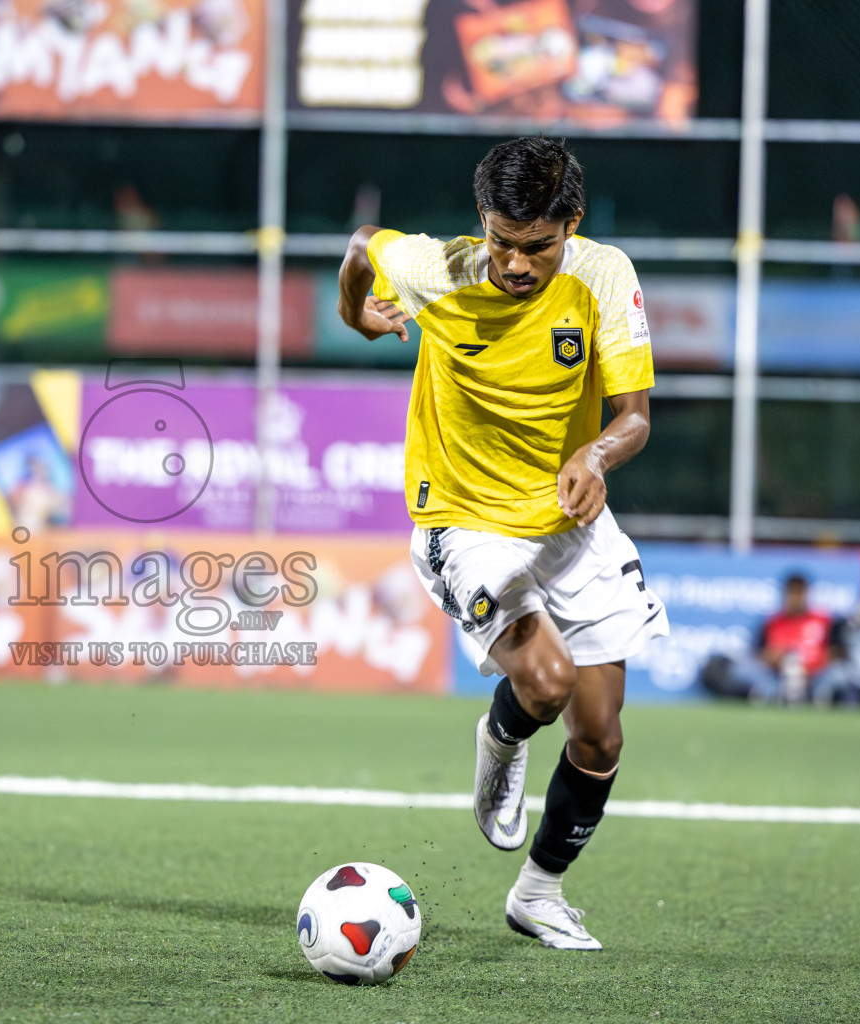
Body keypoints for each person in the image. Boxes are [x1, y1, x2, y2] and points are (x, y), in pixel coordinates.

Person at [336, 137, 669, 951]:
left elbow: (634, 417)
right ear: (482, 223)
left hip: (569, 519)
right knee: (547, 682)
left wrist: (594, 454)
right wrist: (357, 312)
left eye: (537, 247)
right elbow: (357, 250)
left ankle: (539, 891)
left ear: (572, 225)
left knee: (601, 732)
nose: (516, 265)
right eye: (502, 242)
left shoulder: (603, 276)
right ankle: (503, 736)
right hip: (466, 517)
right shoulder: (437, 269)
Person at [723, 574, 860, 704]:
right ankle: (772, 694)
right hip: (779, 677)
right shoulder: (772, 623)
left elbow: (837, 652)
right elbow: (759, 654)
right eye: (792, 593)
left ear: (806, 593)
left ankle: (818, 697)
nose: (795, 598)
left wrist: (817, 662)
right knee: (743, 668)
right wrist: (772, 658)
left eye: (799, 593)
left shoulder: (824, 620)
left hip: (814, 677)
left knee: (841, 673)